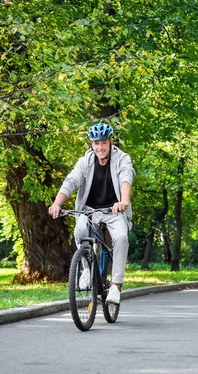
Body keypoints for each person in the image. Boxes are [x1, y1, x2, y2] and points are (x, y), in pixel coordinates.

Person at [48, 123, 135, 305]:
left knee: (120, 237)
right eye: (96, 143)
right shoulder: (85, 162)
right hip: (89, 210)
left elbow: (126, 176)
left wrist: (124, 201)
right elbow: (71, 181)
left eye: (103, 142)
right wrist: (57, 203)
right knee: (80, 231)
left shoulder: (122, 158)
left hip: (114, 210)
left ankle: (116, 286)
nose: (100, 147)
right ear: (91, 144)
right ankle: (87, 269)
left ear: (110, 142)